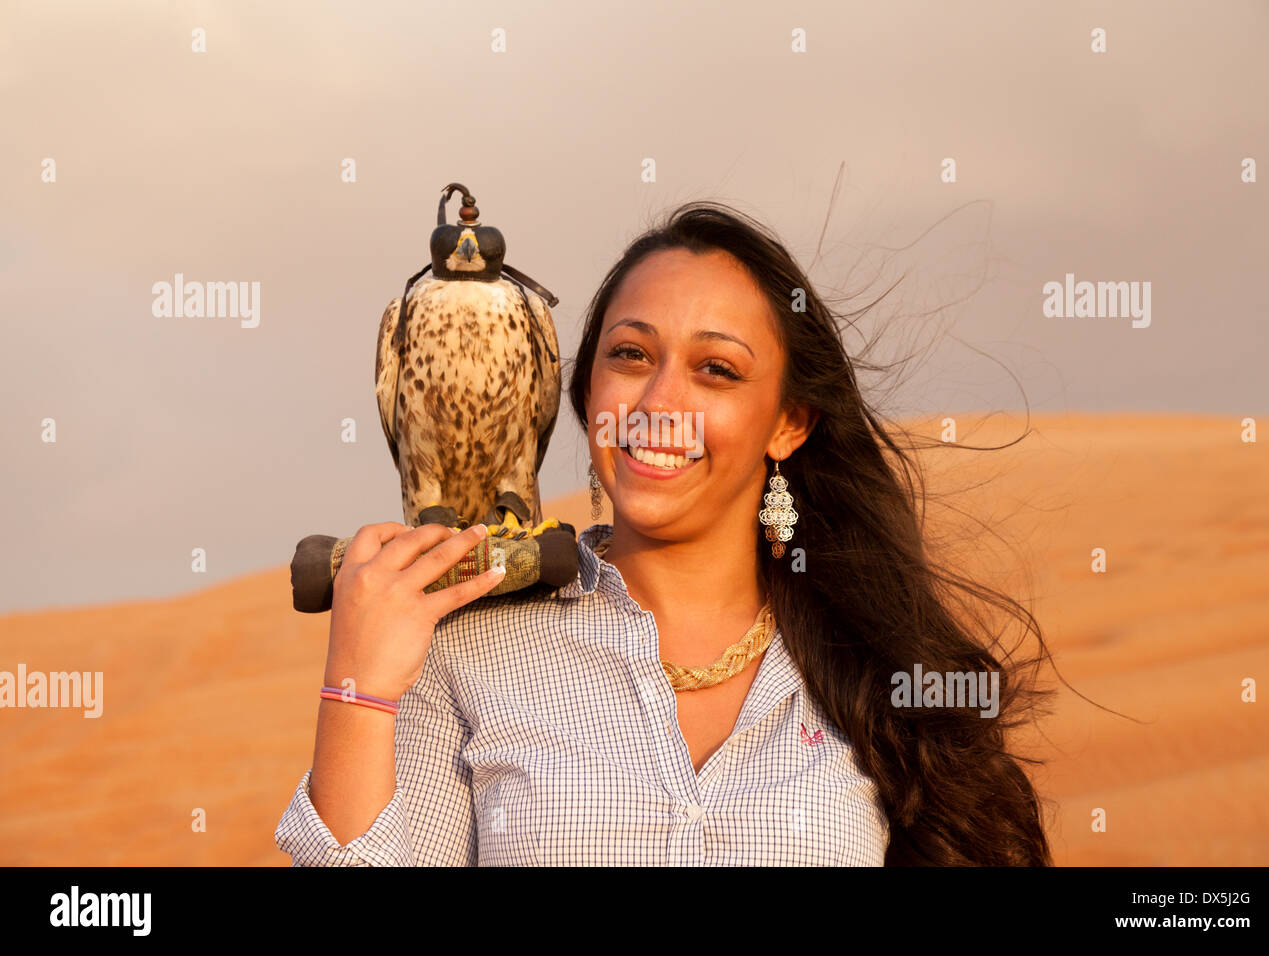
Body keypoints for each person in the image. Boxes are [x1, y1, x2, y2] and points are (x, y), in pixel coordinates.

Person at [275, 201, 1053, 866]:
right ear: (581, 394)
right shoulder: (462, 649)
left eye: (716, 369)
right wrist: (358, 687)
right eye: (630, 355)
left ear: (789, 421)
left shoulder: (873, 666)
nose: (659, 401)